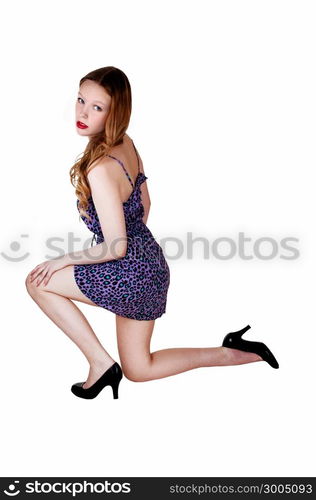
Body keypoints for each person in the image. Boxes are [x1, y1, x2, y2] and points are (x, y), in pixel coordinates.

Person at [25, 66, 279, 400]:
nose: (83, 113)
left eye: (97, 107)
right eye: (80, 100)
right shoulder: (125, 144)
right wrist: (126, 250)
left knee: (37, 281)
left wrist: (63, 261)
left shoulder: (100, 169)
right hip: (150, 266)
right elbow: (145, 205)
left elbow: (115, 248)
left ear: (115, 113)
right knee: (139, 369)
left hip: (128, 271)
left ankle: (100, 364)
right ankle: (234, 351)